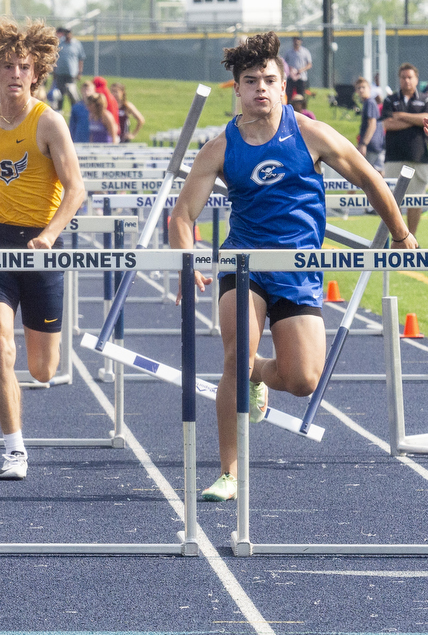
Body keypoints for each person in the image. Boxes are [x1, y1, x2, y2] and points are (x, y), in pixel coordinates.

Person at [169, 32, 416, 502]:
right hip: (245, 265)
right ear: (237, 90)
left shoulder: (309, 133)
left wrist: (401, 234)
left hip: (298, 268)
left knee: (302, 380)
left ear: (284, 86)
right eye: (250, 81)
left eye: (269, 80)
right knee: (233, 358)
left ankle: (259, 374)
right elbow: (182, 215)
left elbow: (368, 177)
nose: (260, 88)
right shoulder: (220, 148)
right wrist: (187, 260)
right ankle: (229, 471)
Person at [0, 17, 85, 480]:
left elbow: (76, 190)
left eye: (23, 66)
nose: (15, 73)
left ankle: (38, 373)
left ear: (37, 73)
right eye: (7, 65)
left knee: (43, 370)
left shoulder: (48, 122)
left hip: (41, 244)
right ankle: (14, 449)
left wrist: (49, 236)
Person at [381, 62, 428, 237]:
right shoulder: (390, 99)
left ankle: (412, 238)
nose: (406, 81)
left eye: (410, 77)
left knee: (415, 200)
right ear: (399, 79)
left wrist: (401, 116)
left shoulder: (425, 99)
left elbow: (426, 118)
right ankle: (400, 237)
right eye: (403, 77)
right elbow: (387, 123)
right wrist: (414, 121)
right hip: (394, 157)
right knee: (393, 201)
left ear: (416, 79)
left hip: (419, 156)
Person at [355, 77, 385, 170]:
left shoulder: (370, 102)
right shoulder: (368, 103)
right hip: (376, 145)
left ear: (369, 88)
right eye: (359, 88)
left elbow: (372, 124)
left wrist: (363, 144)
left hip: (372, 145)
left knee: (370, 172)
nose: (361, 90)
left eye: (363, 87)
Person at [52, 27, 83, 109]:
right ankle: (59, 110)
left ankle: (75, 109)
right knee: (59, 94)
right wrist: (54, 71)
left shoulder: (76, 44)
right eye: (65, 33)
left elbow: (81, 58)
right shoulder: (60, 44)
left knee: (72, 93)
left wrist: (80, 72)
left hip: (71, 73)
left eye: (68, 33)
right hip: (60, 73)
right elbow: (55, 58)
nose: (67, 35)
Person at [282, 36, 312, 100]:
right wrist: (290, 69)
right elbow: (284, 63)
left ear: (301, 41)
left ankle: (300, 108)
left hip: (301, 76)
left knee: (300, 94)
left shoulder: (305, 52)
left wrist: (301, 70)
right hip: (291, 76)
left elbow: (309, 64)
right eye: (295, 41)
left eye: (298, 40)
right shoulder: (289, 52)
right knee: (289, 94)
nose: (296, 42)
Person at [68, 78, 95, 144]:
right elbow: (72, 126)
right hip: (79, 140)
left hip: (94, 140)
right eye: (84, 90)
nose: (86, 92)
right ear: (81, 91)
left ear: (94, 91)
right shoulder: (76, 107)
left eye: (89, 90)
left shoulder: (97, 106)